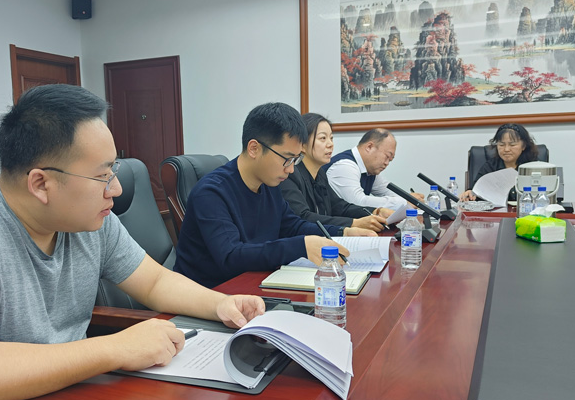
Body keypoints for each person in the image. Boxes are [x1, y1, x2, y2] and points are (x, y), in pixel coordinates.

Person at [0, 84, 265, 400]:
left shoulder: (89, 222)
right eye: (102, 175)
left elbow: (154, 281)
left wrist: (221, 304)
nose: (116, 189)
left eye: (114, 171)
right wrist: (116, 348)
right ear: (41, 184)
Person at [173, 102, 374, 289]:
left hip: (254, 285)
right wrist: (301, 246)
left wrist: (343, 232)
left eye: (296, 160)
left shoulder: (269, 183)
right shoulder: (211, 193)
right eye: (287, 159)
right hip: (210, 295)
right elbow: (231, 256)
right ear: (254, 148)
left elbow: (292, 226)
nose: (291, 169)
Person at [278, 113, 393, 233]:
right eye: (323, 138)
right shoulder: (290, 174)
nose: (330, 144)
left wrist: (376, 211)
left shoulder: (320, 174)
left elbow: (339, 207)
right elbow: (303, 217)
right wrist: (354, 223)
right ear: (302, 144)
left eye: (331, 138)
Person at [325, 128, 424, 211]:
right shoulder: (344, 166)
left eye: (390, 160)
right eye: (387, 156)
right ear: (369, 147)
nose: (387, 163)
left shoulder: (369, 171)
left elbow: (387, 190)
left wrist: (409, 198)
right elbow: (358, 202)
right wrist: (404, 201)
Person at [460, 123, 539, 201]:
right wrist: (469, 193)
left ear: (523, 146)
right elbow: (475, 190)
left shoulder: (533, 166)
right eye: (501, 145)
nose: (506, 149)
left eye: (512, 145)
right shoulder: (490, 167)